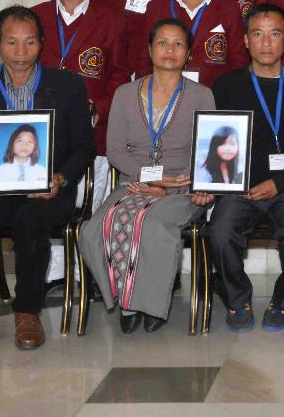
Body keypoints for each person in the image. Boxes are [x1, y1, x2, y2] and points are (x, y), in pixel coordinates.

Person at [0, 6, 95, 353]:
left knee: (32, 220)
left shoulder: (68, 85)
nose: (21, 51)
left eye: (30, 42)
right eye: (12, 42)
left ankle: (27, 311)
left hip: (47, 190)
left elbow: (84, 147)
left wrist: (60, 178)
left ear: (42, 43)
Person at [79, 18, 216, 334]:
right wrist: (150, 179)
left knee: (152, 223)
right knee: (94, 229)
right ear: (150, 50)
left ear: (188, 53)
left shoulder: (201, 96)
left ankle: (149, 304)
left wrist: (177, 184)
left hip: (182, 186)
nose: (170, 50)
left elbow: (208, 151)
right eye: (162, 43)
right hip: (134, 183)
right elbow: (115, 151)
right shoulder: (125, 94)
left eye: (178, 44)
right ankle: (124, 297)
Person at [205, 4, 284, 332]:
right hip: (239, 190)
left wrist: (280, 183)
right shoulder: (226, 87)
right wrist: (216, 183)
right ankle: (237, 299)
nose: (266, 42)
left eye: (275, 34)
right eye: (258, 34)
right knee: (219, 232)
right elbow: (213, 147)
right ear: (246, 40)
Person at [32, 0, 130, 201]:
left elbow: (120, 75)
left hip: (91, 130)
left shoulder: (112, 21)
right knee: (40, 205)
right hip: (40, 129)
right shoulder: (34, 17)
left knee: (86, 207)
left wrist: (99, 109)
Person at [0, 124, 50, 190]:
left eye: (29, 141)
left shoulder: (42, 172)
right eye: (19, 141)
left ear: (35, 147)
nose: (24, 144)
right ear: (12, 144)